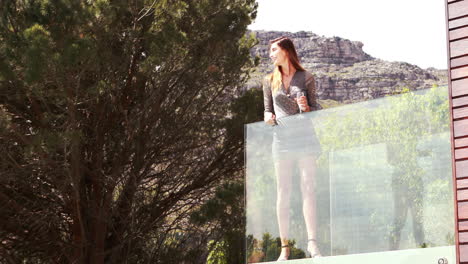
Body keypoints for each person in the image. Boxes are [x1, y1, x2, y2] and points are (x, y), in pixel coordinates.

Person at [262, 36, 321, 260]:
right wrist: (268, 116)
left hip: (305, 138)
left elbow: (316, 109)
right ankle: (284, 248)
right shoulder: (268, 80)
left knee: (308, 187)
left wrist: (306, 108)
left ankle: (312, 244)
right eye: (270, 51)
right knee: (283, 192)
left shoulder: (306, 77)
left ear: (286, 51)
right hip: (282, 141)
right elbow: (268, 110)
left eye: (274, 50)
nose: (271, 54)